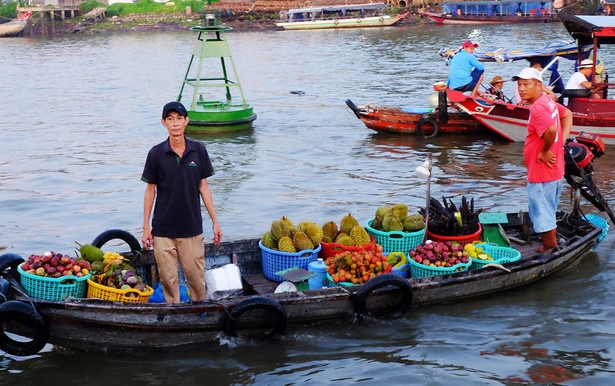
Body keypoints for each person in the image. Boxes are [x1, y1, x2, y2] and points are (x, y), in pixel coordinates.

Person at [141, 101, 223, 303]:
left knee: (196, 279)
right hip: (163, 229)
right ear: (163, 123)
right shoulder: (155, 154)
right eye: (170, 119)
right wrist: (145, 227)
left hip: (191, 228)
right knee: (168, 280)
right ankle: (174, 314)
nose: (175, 123)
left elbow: (203, 187)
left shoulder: (199, 151)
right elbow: (150, 190)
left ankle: (200, 312)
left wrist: (215, 221)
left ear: (186, 121)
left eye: (179, 118)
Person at [512, 68, 572, 253]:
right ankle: (551, 242)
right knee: (548, 206)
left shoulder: (538, 108)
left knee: (541, 209)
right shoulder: (547, 101)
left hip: (542, 170)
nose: (521, 89)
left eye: (526, 84)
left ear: (538, 86)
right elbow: (567, 113)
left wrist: (546, 150)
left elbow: (551, 131)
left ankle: (549, 247)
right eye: (519, 84)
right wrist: (560, 143)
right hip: (554, 169)